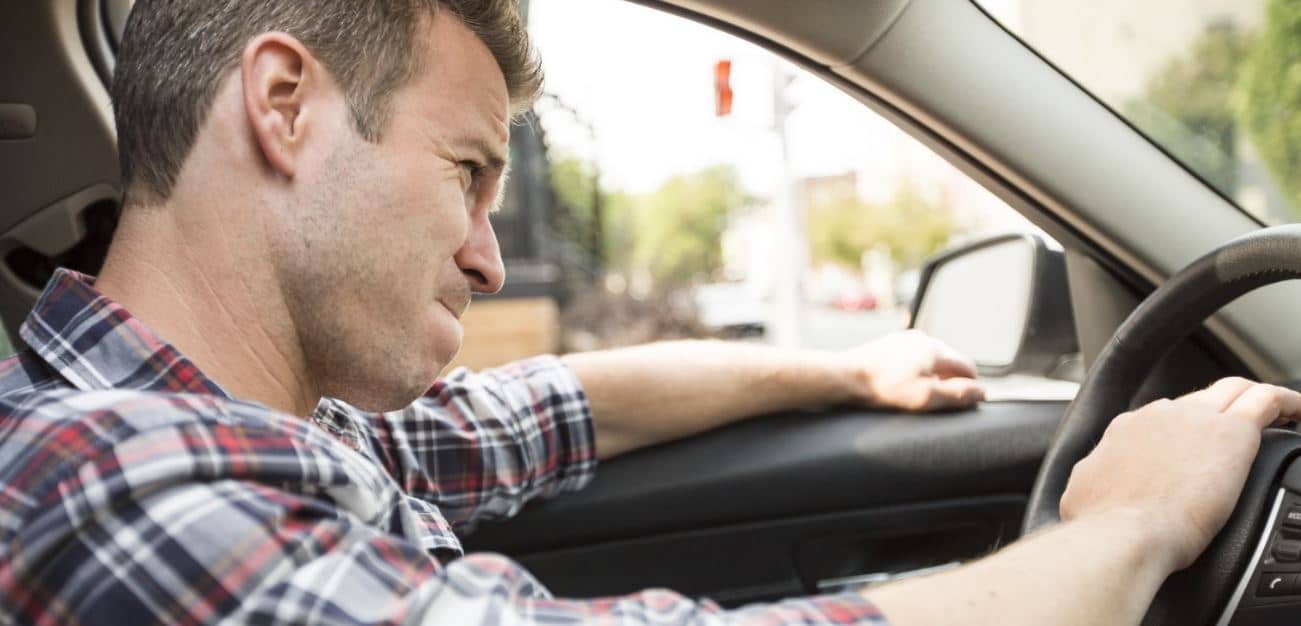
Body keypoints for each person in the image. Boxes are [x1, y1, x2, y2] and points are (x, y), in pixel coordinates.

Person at [0, 1, 1295, 624]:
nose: (486, 260)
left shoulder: (254, 427)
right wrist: (1126, 526)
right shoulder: (93, 476)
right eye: (466, 174)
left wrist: (843, 373)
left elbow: (548, 408)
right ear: (283, 106)